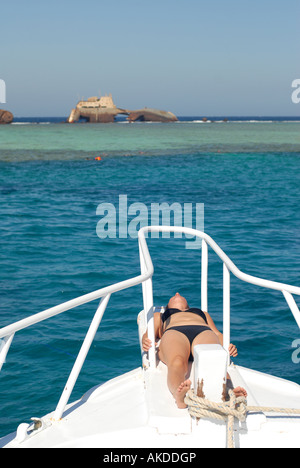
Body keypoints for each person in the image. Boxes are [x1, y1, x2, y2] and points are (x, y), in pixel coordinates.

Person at [142, 292, 247, 409]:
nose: (177, 293)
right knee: (177, 362)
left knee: (214, 360)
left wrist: (227, 345)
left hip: (203, 331)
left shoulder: (203, 314)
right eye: (174, 295)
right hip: (175, 332)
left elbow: (217, 333)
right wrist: (145, 341)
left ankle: (229, 392)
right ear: (168, 306)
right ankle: (180, 396)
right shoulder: (160, 315)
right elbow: (147, 335)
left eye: (179, 294)